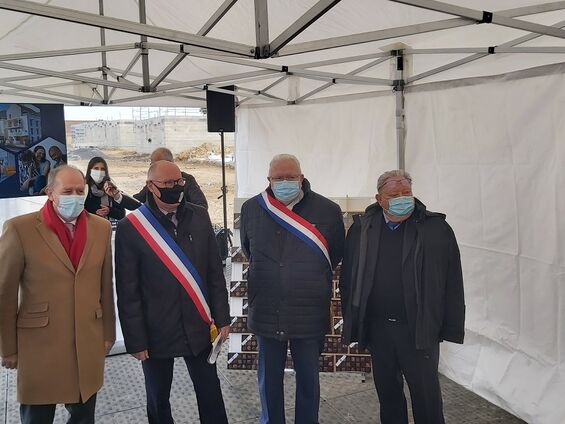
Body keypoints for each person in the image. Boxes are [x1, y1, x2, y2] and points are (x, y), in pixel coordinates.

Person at [339, 170, 465, 424]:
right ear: (379, 199)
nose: (401, 198)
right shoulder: (362, 229)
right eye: (393, 195)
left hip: (418, 329)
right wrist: (353, 321)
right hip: (379, 328)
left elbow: (452, 280)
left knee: (426, 396)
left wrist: (450, 326)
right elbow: (349, 279)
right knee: (388, 395)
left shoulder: (435, 229)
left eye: (406, 193)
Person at [115, 160, 230, 424]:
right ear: (150, 187)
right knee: (158, 399)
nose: (175, 188)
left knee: (210, 393)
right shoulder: (131, 228)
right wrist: (136, 340)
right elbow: (128, 290)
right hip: (155, 333)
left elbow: (214, 272)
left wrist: (223, 318)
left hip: (198, 326)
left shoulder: (199, 216)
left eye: (179, 182)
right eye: (167, 183)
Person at [0, 165, 116, 424]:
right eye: (67, 191)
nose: (74, 196)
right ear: (50, 193)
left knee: (84, 415)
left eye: (80, 191)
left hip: (86, 341)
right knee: (37, 418)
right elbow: (4, 294)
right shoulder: (20, 229)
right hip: (40, 346)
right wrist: (8, 348)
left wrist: (108, 332)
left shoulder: (100, 228)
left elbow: (105, 285)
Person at [240, 154, 345, 424]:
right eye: (278, 178)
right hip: (266, 308)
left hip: (308, 310)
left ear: (301, 177)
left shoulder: (328, 210)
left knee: (309, 378)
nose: (285, 182)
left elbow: (333, 255)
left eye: (291, 177)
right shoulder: (252, 208)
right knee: (269, 378)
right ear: (269, 180)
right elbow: (249, 250)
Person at [133, 147, 208, 209]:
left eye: (153, 165)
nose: (151, 168)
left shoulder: (188, 179)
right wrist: (121, 197)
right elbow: (136, 202)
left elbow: (202, 206)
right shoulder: (154, 183)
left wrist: (179, 212)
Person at [84, 156, 139, 221]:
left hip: (109, 227)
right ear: (90, 170)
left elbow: (122, 214)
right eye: (96, 169)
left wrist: (109, 210)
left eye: (102, 169)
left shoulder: (109, 188)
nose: (99, 172)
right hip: (91, 227)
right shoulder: (84, 189)